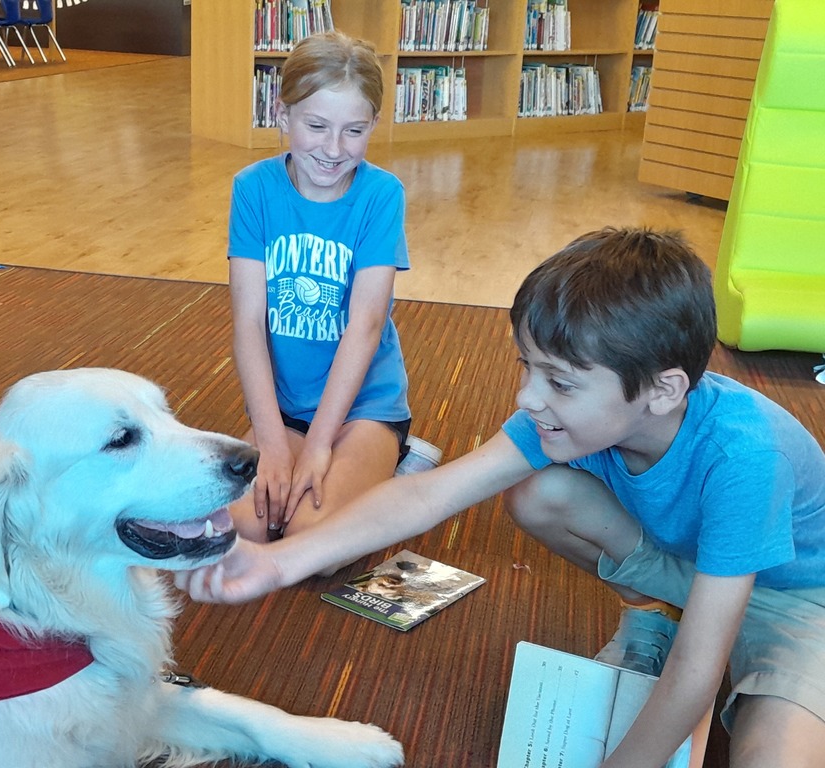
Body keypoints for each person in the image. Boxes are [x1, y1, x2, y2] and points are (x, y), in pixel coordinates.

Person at [180, 227, 825, 768]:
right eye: (527, 366)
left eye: (561, 382)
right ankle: (652, 609)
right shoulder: (571, 416)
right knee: (539, 492)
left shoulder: (746, 458)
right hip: (694, 570)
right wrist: (276, 562)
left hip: (798, 603)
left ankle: (701, 632)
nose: (527, 397)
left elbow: (696, 668)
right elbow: (426, 495)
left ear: (661, 390)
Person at [226, 30, 440, 551]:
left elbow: (365, 327)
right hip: (286, 406)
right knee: (245, 529)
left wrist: (321, 443)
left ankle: (398, 459)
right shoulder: (252, 188)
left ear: (372, 128)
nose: (332, 149)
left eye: (354, 131)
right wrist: (272, 439)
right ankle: (341, 468)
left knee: (309, 539)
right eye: (317, 126)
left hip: (366, 406)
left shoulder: (381, 194)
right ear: (283, 116)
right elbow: (248, 323)